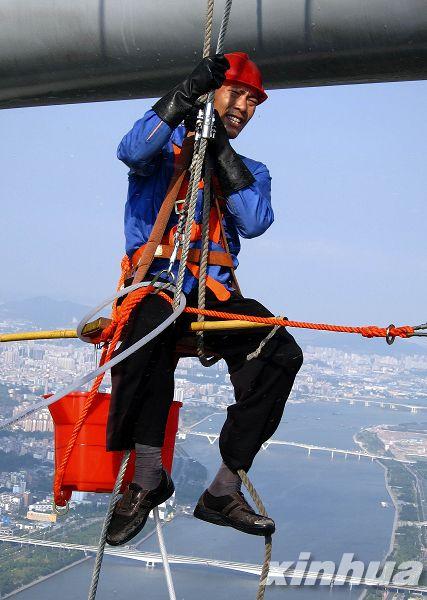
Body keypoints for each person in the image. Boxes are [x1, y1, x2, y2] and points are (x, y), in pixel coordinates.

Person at [106, 52, 303, 546]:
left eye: (253, 100)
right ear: (211, 94)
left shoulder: (248, 167)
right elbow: (130, 150)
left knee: (281, 352)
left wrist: (219, 153)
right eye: (236, 93)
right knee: (147, 329)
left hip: (211, 294)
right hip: (156, 284)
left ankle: (224, 487)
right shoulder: (164, 151)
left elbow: (255, 221)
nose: (244, 106)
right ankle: (147, 474)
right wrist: (182, 97)